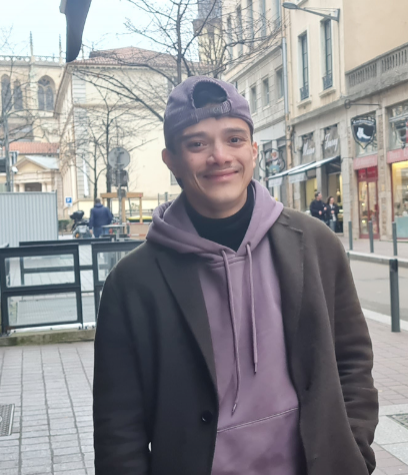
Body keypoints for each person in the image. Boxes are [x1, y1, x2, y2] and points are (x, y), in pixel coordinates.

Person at [93, 76, 378, 475]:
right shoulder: (133, 282)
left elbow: (353, 361)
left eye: (234, 139)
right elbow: (118, 424)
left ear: (254, 150)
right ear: (171, 160)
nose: (219, 156)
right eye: (196, 143)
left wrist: (354, 450)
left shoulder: (314, 245)